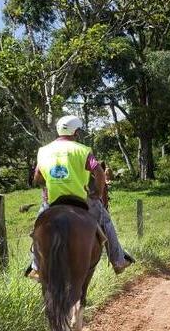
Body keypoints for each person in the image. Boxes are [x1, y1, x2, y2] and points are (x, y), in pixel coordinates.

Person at [28, 115, 133, 277]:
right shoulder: (83, 150)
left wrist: (49, 186)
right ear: (75, 131)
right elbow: (99, 173)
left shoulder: (43, 151)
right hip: (82, 201)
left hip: (52, 202)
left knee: (37, 228)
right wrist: (97, 193)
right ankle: (118, 260)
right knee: (105, 221)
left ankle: (36, 267)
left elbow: (37, 178)